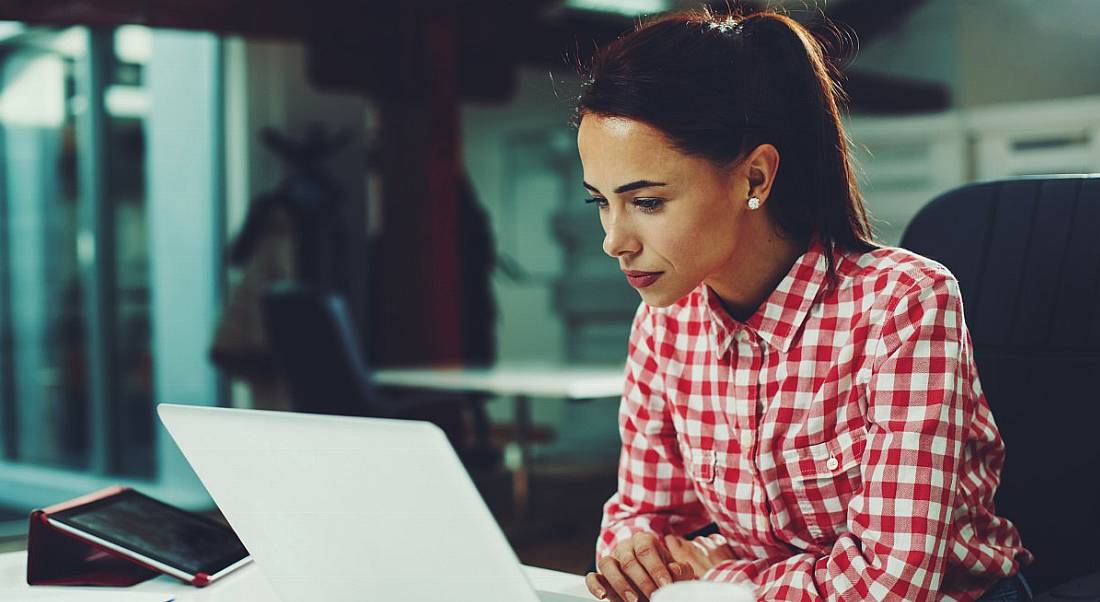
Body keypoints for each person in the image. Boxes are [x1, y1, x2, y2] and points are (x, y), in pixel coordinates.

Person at [574, 8, 1033, 602]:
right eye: (601, 203)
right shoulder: (664, 323)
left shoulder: (904, 304)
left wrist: (717, 574)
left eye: (648, 202)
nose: (614, 240)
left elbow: (891, 583)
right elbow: (640, 521)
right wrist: (636, 559)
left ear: (755, 179)